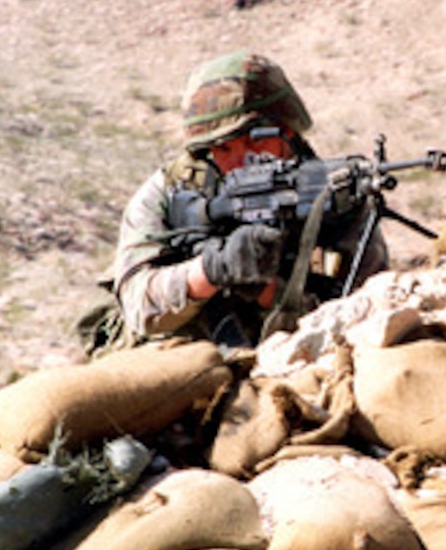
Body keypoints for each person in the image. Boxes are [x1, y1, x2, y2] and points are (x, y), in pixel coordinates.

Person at [109, 50, 388, 350]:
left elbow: (368, 314)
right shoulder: (171, 193)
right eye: (224, 149)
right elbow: (138, 307)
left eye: (256, 138)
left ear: (288, 129)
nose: (244, 159)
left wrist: (268, 291)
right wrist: (212, 270)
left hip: (295, 352)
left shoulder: (332, 193)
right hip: (184, 353)